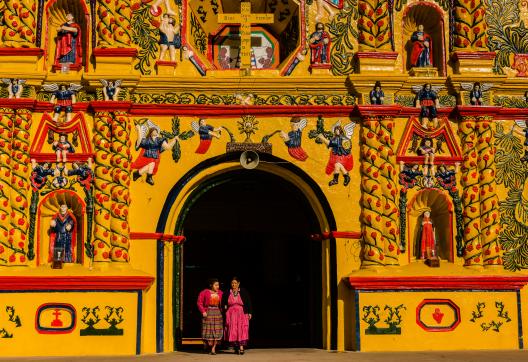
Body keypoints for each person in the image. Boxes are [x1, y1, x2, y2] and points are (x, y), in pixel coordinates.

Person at [222, 277, 252, 355]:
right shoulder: (227, 292)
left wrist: (249, 312)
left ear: (238, 283)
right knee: (233, 329)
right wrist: (224, 306)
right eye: (232, 283)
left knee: (241, 329)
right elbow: (223, 302)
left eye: (235, 283)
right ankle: (236, 347)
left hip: (241, 312)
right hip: (231, 313)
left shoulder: (243, 291)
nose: (233, 284)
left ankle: (241, 347)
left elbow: (248, 302)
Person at [197, 279, 223, 355]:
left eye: (218, 285)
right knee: (208, 330)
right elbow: (199, 302)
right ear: (211, 285)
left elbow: (224, 301)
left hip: (217, 313)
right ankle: (207, 345)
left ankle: (213, 349)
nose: (217, 286)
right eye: (216, 285)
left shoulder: (221, 293)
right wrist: (203, 311)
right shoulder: (204, 292)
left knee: (216, 330)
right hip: (208, 312)